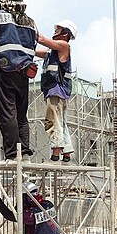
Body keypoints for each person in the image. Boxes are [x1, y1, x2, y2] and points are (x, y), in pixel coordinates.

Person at [0, 0, 37, 162]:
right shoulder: (31, 22)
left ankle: (13, 154)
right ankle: (25, 151)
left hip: (5, 68)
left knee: (8, 112)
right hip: (24, 72)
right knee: (22, 114)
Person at [36, 20, 77, 163]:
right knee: (61, 121)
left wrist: (28, 32)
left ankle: (56, 151)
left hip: (56, 90)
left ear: (66, 33)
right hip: (57, 91)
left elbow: (42, 40)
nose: (55, 30)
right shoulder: (53, 51)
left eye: (58, 29)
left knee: (52, 120)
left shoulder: (63, 45)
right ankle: (66, 152)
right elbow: (37, 52)